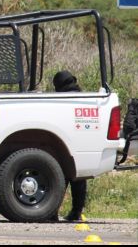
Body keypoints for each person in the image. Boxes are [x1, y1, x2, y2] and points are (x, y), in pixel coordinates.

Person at [53, 70, 88, 222]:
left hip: (63, 145)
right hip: (81, 143)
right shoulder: (84, 98)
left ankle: (52, 212)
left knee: (59, 179)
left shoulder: (60, 99)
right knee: (79, 180)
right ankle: (76, 212)